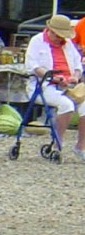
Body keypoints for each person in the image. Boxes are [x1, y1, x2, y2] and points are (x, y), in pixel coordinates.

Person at [23, 14, 85, 161]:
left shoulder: (68, 43)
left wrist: (75, 76)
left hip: (67, 85)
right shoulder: (37, 41)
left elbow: (77, 65)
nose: (60, 39)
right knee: (67, 105)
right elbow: (33, 66)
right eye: (58, 36)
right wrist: (53, 77)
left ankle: (81, 145)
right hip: (44, 85)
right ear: (50, 31)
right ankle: (57, 144)